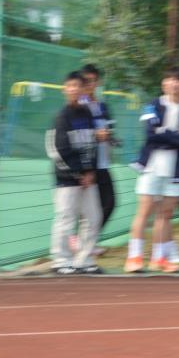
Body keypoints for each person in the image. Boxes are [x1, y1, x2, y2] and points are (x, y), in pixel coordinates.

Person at [125, 67, 179, 274]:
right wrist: (175, 135)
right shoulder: (153, 105)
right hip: (151, 166)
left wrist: (164, 133)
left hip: (176, 170)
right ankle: (134, 257)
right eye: (169, 79)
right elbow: (150, 134)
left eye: (178, 80)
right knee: (144, 211)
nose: (173, 83)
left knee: (165, 214)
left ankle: (159, 259)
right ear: (164, 83)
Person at [45, 71, 103, 275]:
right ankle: (60, 260)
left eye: (78, 86)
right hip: (67, 179)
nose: (74, 89)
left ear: (84, 89)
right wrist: (79, 174)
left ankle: (83, 260)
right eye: (70, 86)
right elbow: (59, 150)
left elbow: (93, 145)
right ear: (64, 89)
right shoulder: (61, 116)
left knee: (93, 217)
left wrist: (90, 171)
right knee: (66, 219)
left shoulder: (88, 114)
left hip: (88, 177)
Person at [80, 65, 116, 256]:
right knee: (89, 206)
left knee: (108, 203)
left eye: (93, 80)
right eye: (86, 81)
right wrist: (96, 135)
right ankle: (82, 243)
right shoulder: (79, 105)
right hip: (87, 164)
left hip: (103, 162)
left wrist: (110, 136)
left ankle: (88, 242)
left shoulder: (101, 105)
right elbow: (76, 133)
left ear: (98, 82)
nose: (90, 84)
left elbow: (109, 129)